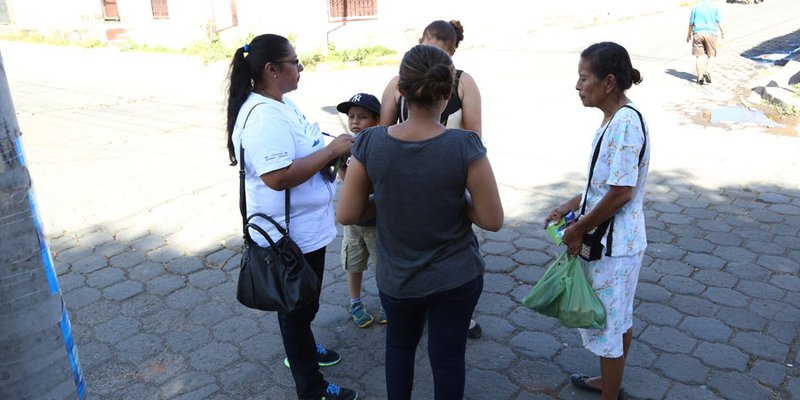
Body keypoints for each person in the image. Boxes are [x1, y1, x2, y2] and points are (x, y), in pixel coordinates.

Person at [337, 44, 504, 400]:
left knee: (399, 349)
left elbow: (348, 213)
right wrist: (455, 203)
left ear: (401, 91)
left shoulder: (369, 142)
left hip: (398, 278)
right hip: (456, 275)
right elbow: (492, 219)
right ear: (448, 95)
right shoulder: (465, 145)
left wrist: (389, 201)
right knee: (448, 359)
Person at [225, 33, 358, 400]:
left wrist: (333, 148)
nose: (301, 68)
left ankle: (302, 346)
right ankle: (310, 387)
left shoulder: (280, 103)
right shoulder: (264, 116)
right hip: (288, 236)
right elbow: (277, 176)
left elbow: (305, 147)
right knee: (297, 307)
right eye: (294, 62)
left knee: (304, 302)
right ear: (271, 69)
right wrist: (332, 149)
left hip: (305, 229)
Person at [544, 42, 648, 400]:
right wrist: (568, 206)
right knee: (618, 318)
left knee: (609, 323)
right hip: (615, 240)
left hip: (615, 245)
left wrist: (578, 228)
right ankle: (609, 383)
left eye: (583, 78)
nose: (577, 86)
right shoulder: (613, 120)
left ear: (608, 82)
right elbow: (602, 185)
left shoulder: (624, 125)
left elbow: (621, 193)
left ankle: (610, 394)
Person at [379, 19, 485, 339]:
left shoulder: (464, 83)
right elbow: (381, 132)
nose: (432, 59)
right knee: (405, 242)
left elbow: (475, 137)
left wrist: (469, 184)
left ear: (453, 53)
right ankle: (408, 305)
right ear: (418, 42)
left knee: (453, 243)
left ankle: (456, 311)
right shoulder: (398, 82)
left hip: (447, 176)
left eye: (442, 52)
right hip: (404, 175)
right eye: (427, 48)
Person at [335, 92, 385, 328]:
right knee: (352, 265)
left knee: (383, 265)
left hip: (377, 223)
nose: (355, 122)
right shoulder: (345, 148)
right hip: (353, 226)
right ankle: (355, 302)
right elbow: (346, 182)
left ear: (377, 120)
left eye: (362, 117)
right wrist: (341, 161)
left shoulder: (381, 146)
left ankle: (387, 300)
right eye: (351, 116)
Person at [686, 0, 725, 85]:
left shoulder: (695, 7)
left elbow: (691, 23)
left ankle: (700, 78)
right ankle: (707, 71)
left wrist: (688, 34)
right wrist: (723, 33)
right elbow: (719, 22)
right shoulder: (715, 7)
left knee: (699, 57)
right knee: (711, 55)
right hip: (711, 34)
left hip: (698, 34)